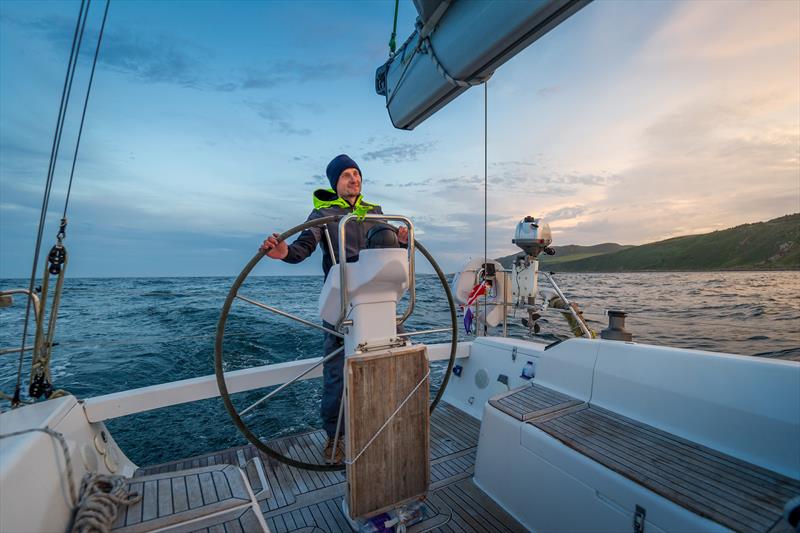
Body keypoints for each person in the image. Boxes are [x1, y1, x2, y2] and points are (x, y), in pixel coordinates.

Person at [260, 154, 408, 464]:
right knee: (337, 374)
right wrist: (284, 251)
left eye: (357, 174)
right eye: (346, 176)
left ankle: (392, 423)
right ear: (335, 183)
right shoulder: (323, 213)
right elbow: (303, 248)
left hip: (379, 301)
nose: (354, 179)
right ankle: (336, 437)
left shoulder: (378, 214)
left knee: (395, 360)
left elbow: (388, 251)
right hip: (342, 305)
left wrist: (402, 241)